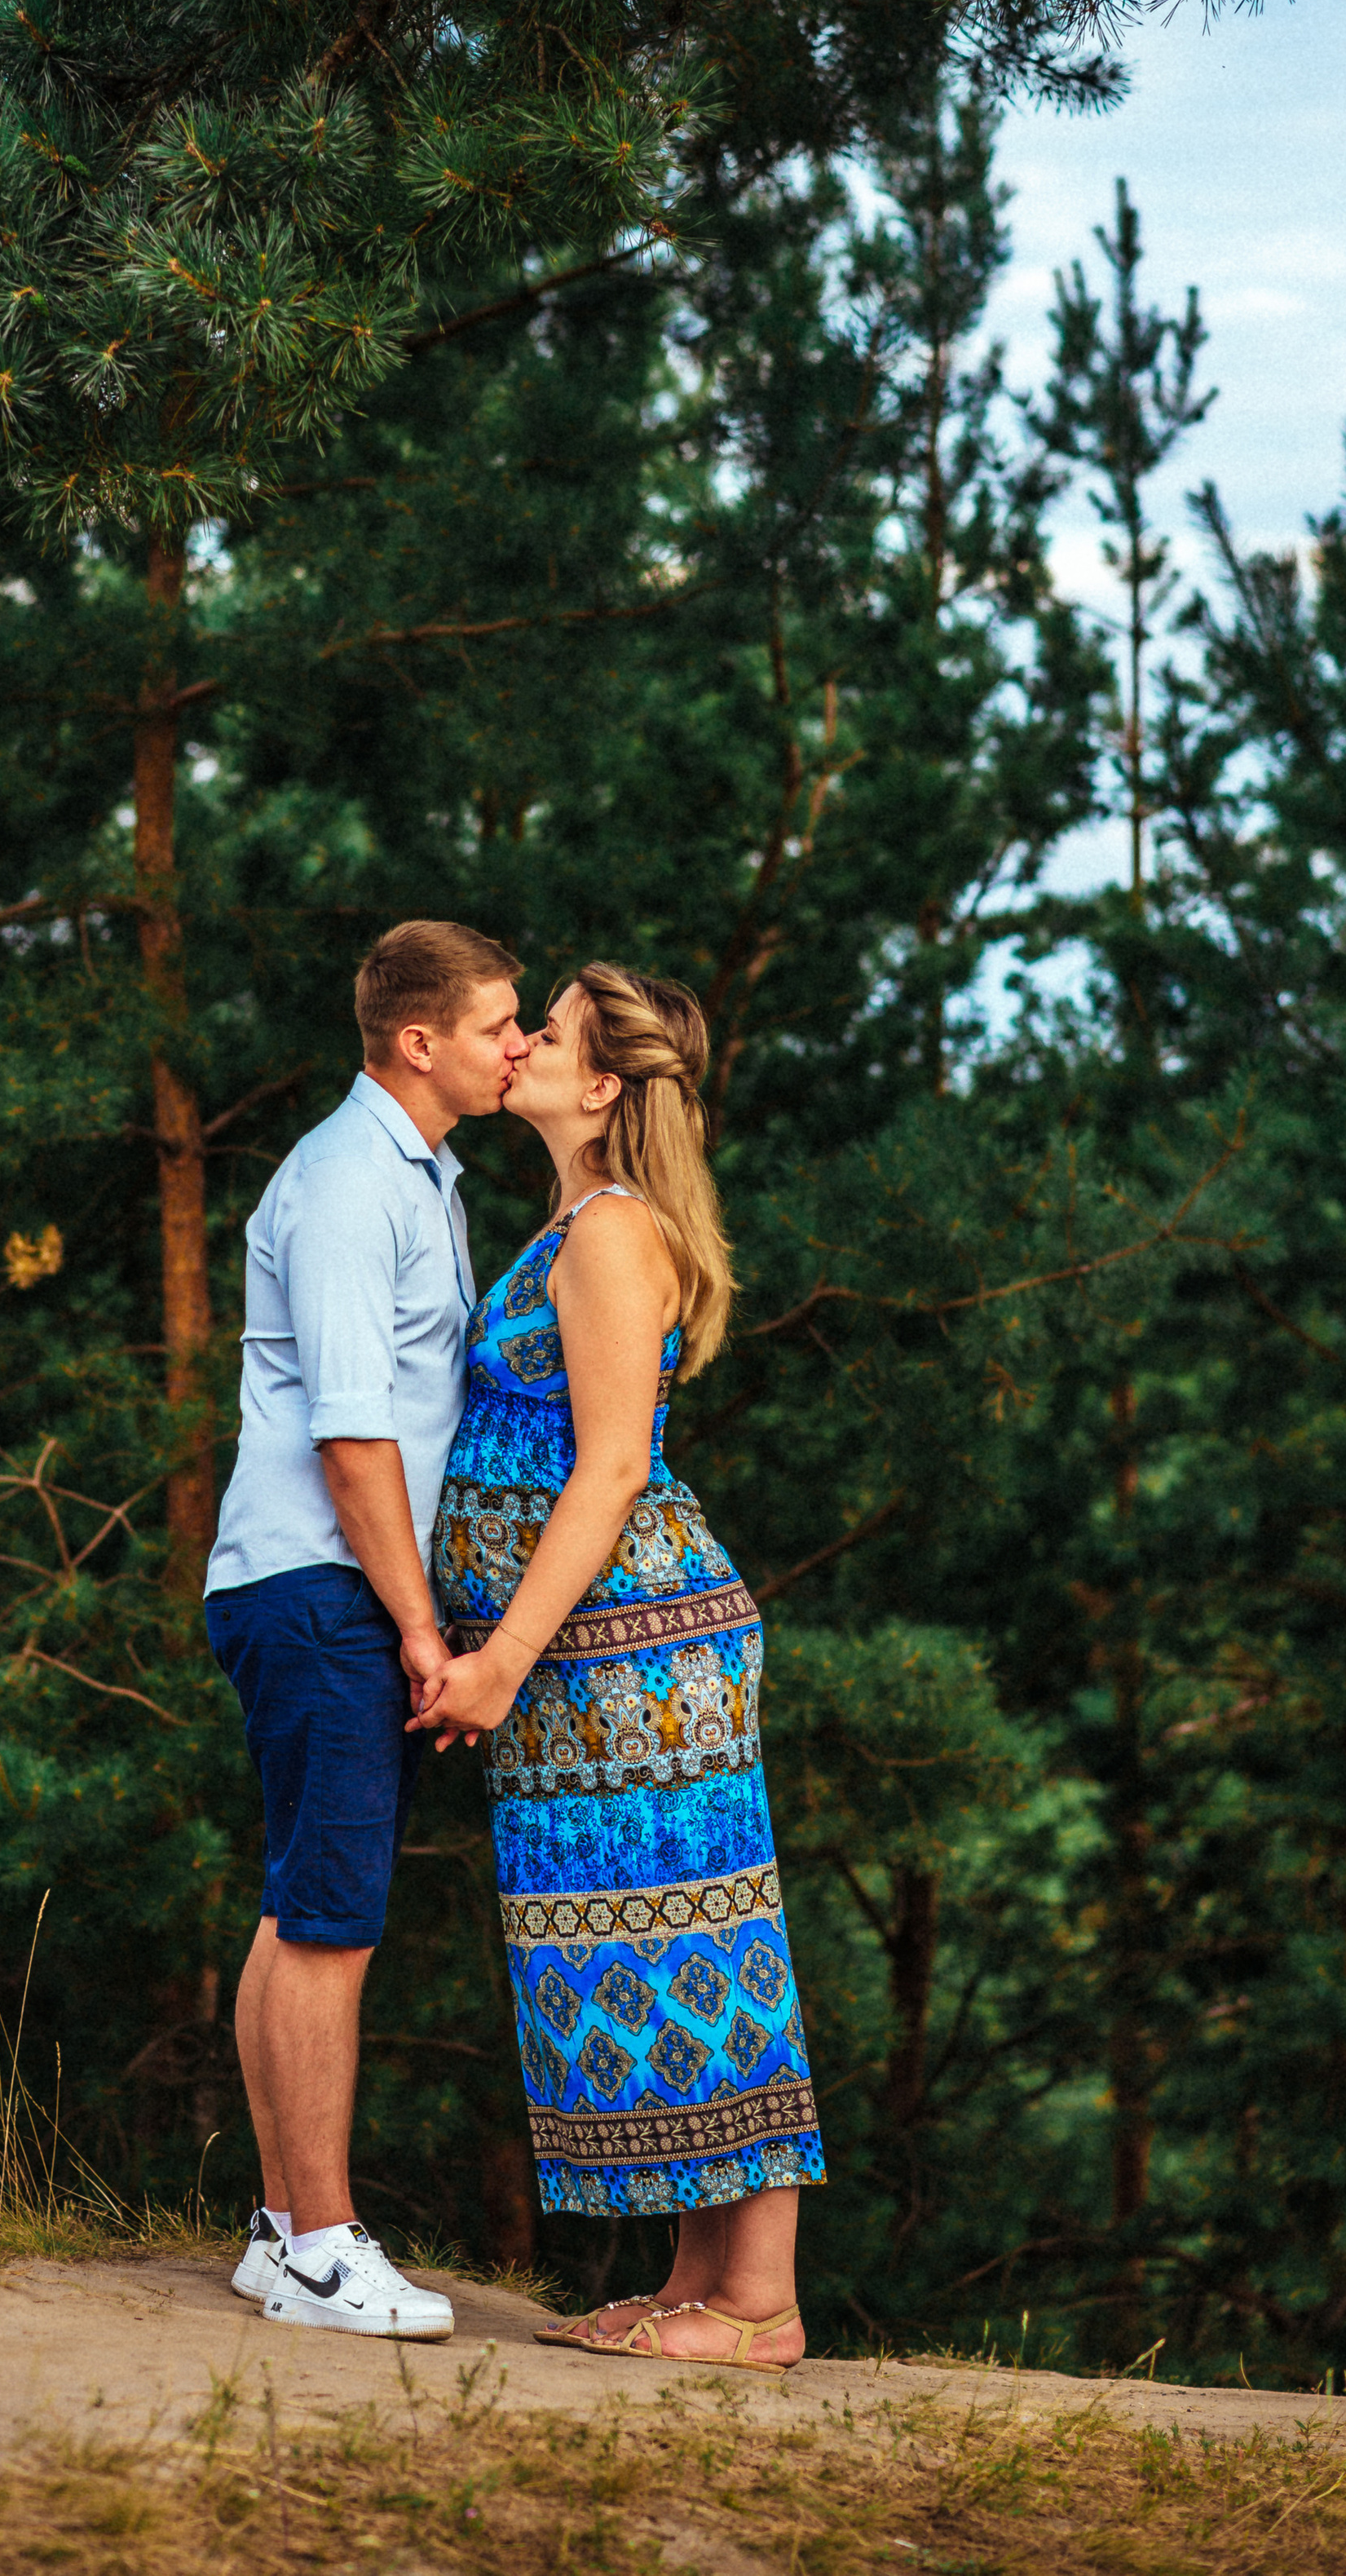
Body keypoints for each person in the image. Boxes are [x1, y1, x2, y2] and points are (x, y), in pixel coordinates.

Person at [414, 961, 824, 2372]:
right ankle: (697, 2281)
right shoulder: (577, 1221)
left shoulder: (609, 1236)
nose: (519, 1042)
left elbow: (609, 1471)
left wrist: (504, 1659)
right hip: (595, 1664)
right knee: (634, 1938)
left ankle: (761, 2300)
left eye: (552, 1031)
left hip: (634, 1658)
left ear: (602, 1085)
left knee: (703, 1929)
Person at [205, 919, 529, 2340]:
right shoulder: (348, 1182)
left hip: (320, 1585)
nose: (516, 1045)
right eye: (499, 1024)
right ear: (420, 1041)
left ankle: (283, 2233)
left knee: (303, 1906)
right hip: (325, 1585)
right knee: (333, 1920)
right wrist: (416, 1624)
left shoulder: (413, 1173)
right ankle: (329, 2247)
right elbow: (353, 1437)